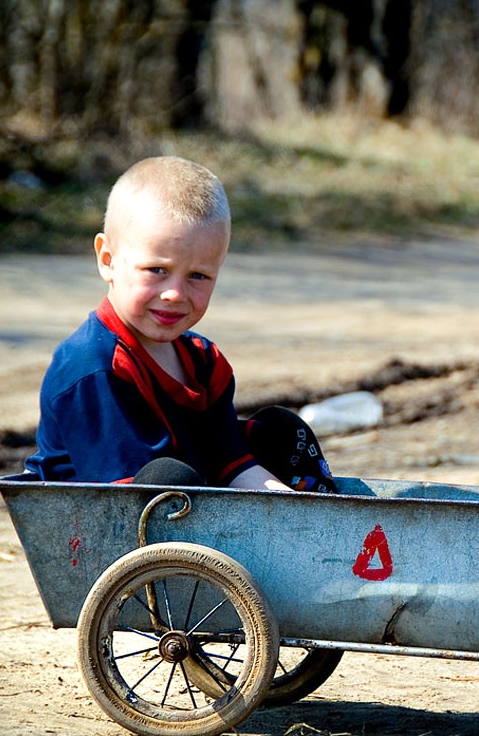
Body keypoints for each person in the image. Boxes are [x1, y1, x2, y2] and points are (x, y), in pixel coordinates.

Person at [25, 156, 335, 492]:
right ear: (108, 260)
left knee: (281, 431)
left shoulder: (203, 361)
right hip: (102, 526)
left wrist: (292, 510)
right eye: (157, 270)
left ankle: (322, 530)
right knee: (170, 479)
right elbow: (125, 495)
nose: (174, 293)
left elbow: (231, 463)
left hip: (188, 499)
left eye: (198, 276)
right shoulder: (94, 367)